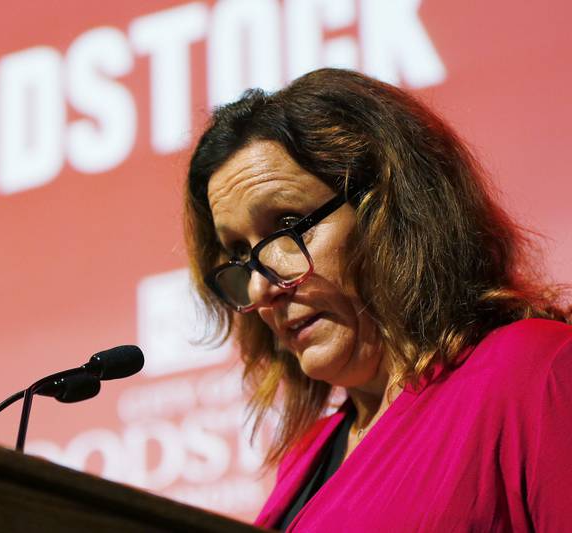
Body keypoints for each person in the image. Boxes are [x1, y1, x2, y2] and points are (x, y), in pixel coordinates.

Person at [184, 68, 571, 532]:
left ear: (390, 209)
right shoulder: (308, 456)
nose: (259, 286)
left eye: (288, 226)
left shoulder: (533, 368)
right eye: (240, 255)